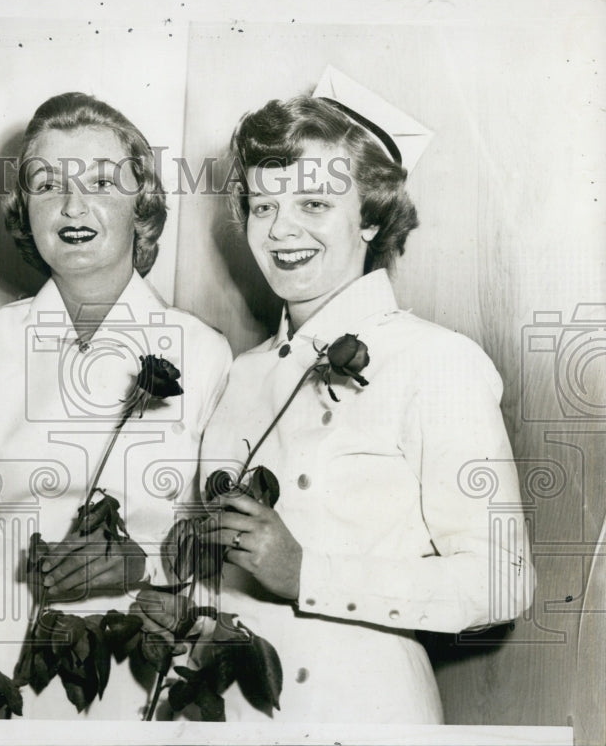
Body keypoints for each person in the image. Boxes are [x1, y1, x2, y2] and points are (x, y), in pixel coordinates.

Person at [157, 93, 534, 722]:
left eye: (313, 204)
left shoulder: (436, 360)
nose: (281, 229)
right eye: (264, 205)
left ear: (369, 217)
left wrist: (309, 572)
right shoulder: (237, 375)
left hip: (362, 714)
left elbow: (503, 580)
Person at [0, 92, 232, 719]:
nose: (73, 205)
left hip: (142, 689)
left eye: (102, 181)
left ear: (142, 203)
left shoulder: (205, 354)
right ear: (23, 208)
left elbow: (222, 554)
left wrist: (142, 564)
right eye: (47, 183)